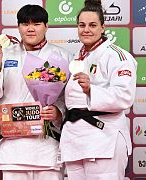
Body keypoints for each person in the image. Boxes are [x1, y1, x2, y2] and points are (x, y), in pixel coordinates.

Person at [0, 4, 73, 180]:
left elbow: (69, 97)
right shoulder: (5, 54)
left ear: (46, 26)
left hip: (47, 144)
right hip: (14, 146)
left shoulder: (62, 56)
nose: (30, 29)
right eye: (25, 24)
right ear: (18, 27)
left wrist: (58, 111)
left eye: (36, 24)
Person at [59, 0, 137, 179]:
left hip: (104, 138)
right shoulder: (78, 57)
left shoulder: (117, 56)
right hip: (75, 139)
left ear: (103, 27)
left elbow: (124, 96)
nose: (86, 30)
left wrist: (91, 90)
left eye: (92, 25)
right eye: (82, 25)